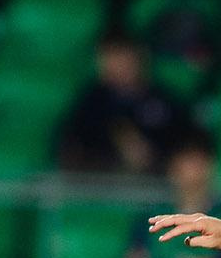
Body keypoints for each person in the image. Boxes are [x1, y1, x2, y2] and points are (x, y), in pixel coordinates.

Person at [57, 32, 189, 173]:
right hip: (103, 187)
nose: (117, 67)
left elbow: (185, 150)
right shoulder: (90, 103)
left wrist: (148, 155)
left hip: (156, 186)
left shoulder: (163, 100)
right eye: (109, 60)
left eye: (122, 58)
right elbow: (71, 150)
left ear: (138, 58)